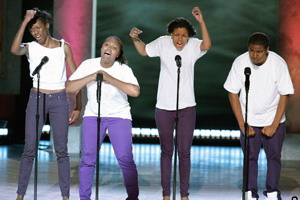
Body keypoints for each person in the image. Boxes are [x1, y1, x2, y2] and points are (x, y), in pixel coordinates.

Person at [129, 7, 211, 200]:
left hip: (187, 106)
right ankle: (166, 194)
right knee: (166, 151)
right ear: (171, 35)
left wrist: (201, 22)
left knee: (184, 152)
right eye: (176, 35)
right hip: (164, 106)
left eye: (183, 35)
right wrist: (134, 38)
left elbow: (207, 45)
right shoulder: (162, 43)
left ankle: (184, 195)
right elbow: (143, 50)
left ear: (188, 36)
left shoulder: (194, 45)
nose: (179, 39)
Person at [10, 8, 81, 200]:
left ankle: (65, 196)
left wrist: (77, 106)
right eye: (32, 30)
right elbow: (15, 49)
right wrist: (25, 22)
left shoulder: (63, 47)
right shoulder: (31, 47)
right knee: (29, 149)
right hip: (36, 98)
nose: (36, 32)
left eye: (38, 28)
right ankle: (20, 195)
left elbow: (76, 78)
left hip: (59, 100)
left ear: (47, 26)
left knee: (61, 150)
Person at [66, 36, 140, 200]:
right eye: (106, 44)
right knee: (87, 159)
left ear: (118, 54)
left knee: (125, 158)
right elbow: (70, 87)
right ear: (101, 48)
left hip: (119, 116)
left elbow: (135, 91)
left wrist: (109, 78)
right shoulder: (89, 65)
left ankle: (133, 197)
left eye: (114, 47)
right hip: (93, 115)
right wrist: (92, 76)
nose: (109, 48)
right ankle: (84, 197)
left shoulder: (123, 69)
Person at [224, 32, 294, 200]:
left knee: (274, 157)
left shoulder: (278, 63)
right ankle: (250, 193)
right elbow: (232, 93)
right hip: (249, 120)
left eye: (259, 52)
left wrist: (274, 125)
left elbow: (285, 94)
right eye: (251, 51)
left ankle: (272, 192)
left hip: (273, 119)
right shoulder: (240, 62)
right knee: (250, 157)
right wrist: (242, 124)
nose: (254, 55)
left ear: (267, 50)